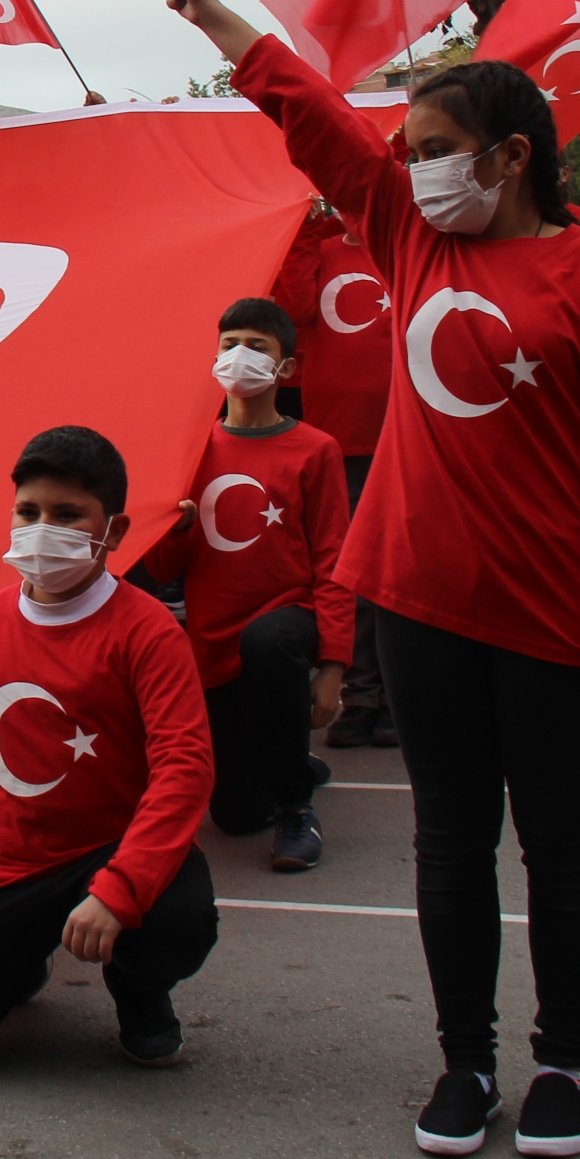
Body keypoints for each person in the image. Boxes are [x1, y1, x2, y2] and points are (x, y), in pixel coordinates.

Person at [169, 0, 580, 1159]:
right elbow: (314, 123)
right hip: (423, 601)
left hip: (552, 614)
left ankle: (564, 1062)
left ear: (507, 157)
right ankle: (464, 1063)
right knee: (450, 841)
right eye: (409, 150)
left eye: (437, 145)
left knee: (559, 845)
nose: (413, 166)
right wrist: (220, 17)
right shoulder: (407, 236)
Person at [0, 426, 218, 1081]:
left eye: (66, 514)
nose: (41, 528)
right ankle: (22, 956)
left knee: (176, 915)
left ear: (113, 531)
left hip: (113, 848)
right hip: (10, 862)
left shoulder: (148, 631)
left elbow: (184, 768)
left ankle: (139, 990)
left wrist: (120, 889)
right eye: (28, 512)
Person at [140, 298, 353, 872]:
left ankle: (295, 807)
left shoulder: (315, 450)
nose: (240, 356)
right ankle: (292, 765)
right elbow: (162, 569)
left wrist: (332, 668)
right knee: (233, 815)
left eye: (257, 346)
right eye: (230, 344)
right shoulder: (192, 448)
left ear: (286, 368)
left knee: (268, 642)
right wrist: (178, 530)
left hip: (288, 618)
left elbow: (334, 559)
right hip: (214, 637)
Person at [273, 198, 398, 750]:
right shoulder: (319, 250)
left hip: (404, 439)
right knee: (351, 577)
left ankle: (394, 696)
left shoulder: (405, 248)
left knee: (398, 574)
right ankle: (362, 693)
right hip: (336, 441)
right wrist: (302, 229)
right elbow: (293, 307)